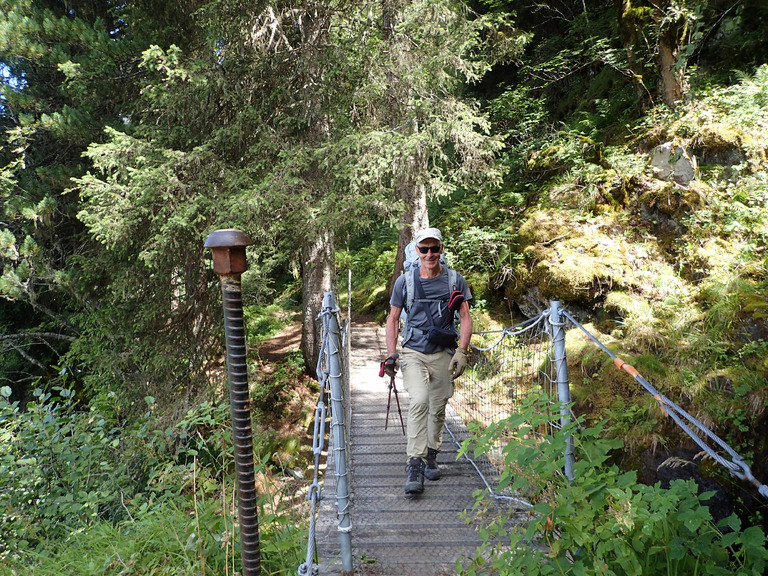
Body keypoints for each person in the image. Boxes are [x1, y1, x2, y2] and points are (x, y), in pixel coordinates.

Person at [383, 227, 473, 495]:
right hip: (413, 351)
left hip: (443, 352)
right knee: (420, 399)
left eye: (435, 248)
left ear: (441, 250)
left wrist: (462, 351)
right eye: (424, 249)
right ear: (417, 251)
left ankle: (432, 453)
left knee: (437, 406)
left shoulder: (455, 280)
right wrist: (391, 353)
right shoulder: (405, 282)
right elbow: (392, 319)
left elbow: (466, 317)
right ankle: (415, 463)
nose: (430, 254)